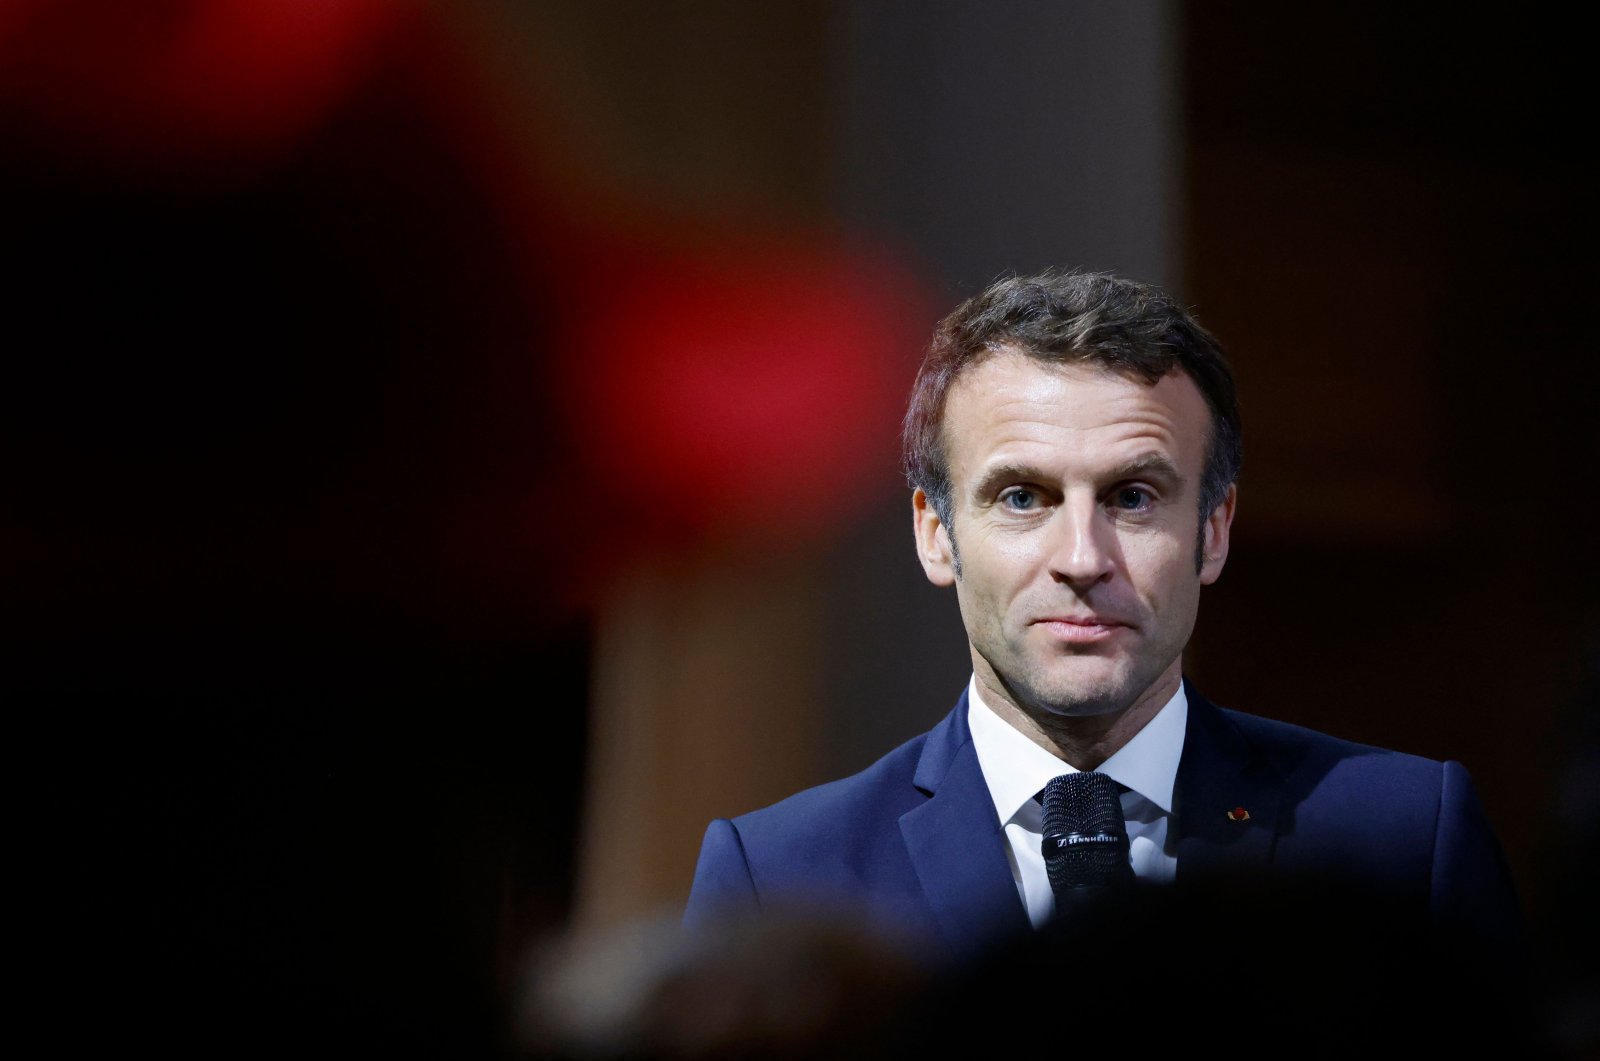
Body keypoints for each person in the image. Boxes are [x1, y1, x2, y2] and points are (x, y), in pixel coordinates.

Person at [684, 270, 1521, 967]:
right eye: (1022, 496)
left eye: (1133, 495)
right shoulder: (780, 882)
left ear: (1213, 531)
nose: (1082, 556)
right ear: (936, 535)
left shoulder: (1408, 840)